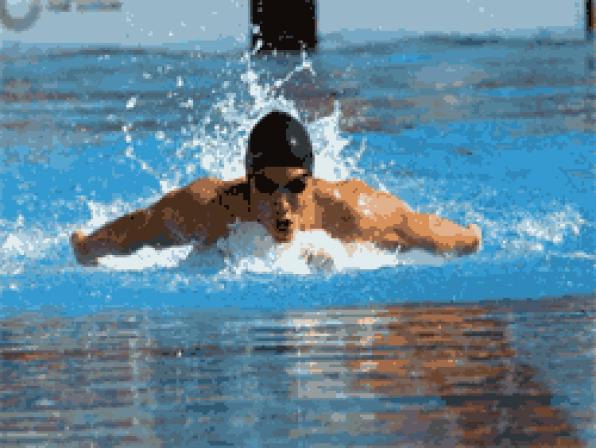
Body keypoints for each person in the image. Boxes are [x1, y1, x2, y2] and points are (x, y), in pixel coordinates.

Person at [71, 111, 481, 266]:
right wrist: (89, 247)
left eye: (295, 187)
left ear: (312, 182)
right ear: (248, 181)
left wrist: (468, 239)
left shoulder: (349, 211)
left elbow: (418, 228)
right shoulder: (209, 209)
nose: (282, 203)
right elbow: (142, 228)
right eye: (267, 186)